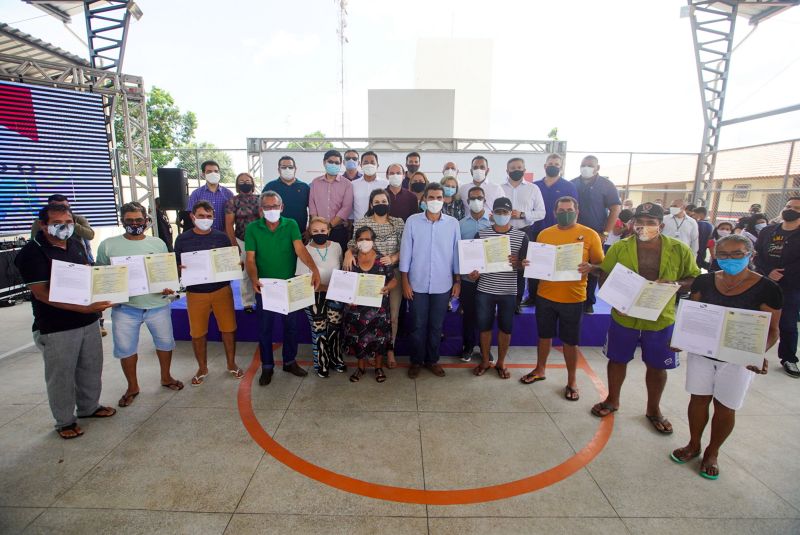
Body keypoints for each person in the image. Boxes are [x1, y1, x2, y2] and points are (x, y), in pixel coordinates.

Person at [671, 234, 781, 479]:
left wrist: (758, 354)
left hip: (738, 359)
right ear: (715, 256)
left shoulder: (768, 288)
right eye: (723, 255)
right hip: (703, 354)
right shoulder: (704, 281)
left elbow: (773, 331)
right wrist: (681, 339)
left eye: (736, 254)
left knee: (725, 406)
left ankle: (713, 451)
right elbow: (693, 315)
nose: (729, 259)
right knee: (698, 399)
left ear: (750, 255)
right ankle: (694, 444)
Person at [590, 203, 700, 435]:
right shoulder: (620, 248)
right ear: (632, 224)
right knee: (617, 360)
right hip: (624, 316)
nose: (644, 226)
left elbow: (694, 278)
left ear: (661, 225)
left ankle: (653, 409)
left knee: (658, 365)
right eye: (640, 221)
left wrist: (677, 284)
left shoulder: (679, 249)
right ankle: (612, 400)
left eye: (650, 222)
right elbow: (605, 274)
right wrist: (614, 301)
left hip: (660, 317)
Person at [15, 203, 116, 439]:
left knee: (91, 367)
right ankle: (64, 420)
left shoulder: (75, 244)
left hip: (87, 321)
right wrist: (84, 307)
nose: (65, 227)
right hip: (56, 326)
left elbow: (88, 275)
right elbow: (42, 293)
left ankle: (89, 407)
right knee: (61, 375)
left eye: (69, 222)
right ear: (43, 225)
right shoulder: (32, 252)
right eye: (58, 223)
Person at [96, 201, 184, 407]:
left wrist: (169, 285)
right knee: (126, 349)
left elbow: (166, 272)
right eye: (129, 220)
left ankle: (166, 377)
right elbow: (101, 274)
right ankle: (132, 386)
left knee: (165, 343)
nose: (134, 223)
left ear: (146, 221)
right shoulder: (108, 245)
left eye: (138, 220)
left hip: (157, 304)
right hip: (125, 307)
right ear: (122, 221)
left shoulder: (158, 244)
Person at [519, 197, 604, 401]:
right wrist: (528, 263)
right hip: (545, 295)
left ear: (577, 211)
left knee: (570, 341)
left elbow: (601, 266)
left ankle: (572, 380)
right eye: (561, 210)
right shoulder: (545, 234)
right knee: (544, 336)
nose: (565, 212)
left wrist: (591, 267)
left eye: (569, 209)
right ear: (555, 212)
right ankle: (540, 370)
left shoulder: (590, 235)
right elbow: (537, 261)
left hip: (573, 297)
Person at [246, 191, 321, 386]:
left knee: (291, 327)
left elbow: (300, 249)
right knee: (265, 329)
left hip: (290, 284)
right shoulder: (253, 228)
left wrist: (314, 270)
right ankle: (267, 367)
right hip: (265, 286)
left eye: (275, 206)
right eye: (267, 207)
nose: (272, 210)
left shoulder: (291, 224)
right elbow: (250, 258)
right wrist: (253, 278)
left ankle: (289, 361)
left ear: (282, 207)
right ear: (261, 210)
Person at [174, 201, 243, 386]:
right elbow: (175, 265)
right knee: (197, 333)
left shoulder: (221, 237)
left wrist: (235, 265)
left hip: (221, 290)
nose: (205, 220)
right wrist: (179, 269)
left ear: (213, 218)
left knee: (228, 329)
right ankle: (202, 368)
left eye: (209, 216)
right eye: (201, 216)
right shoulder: (182, 239)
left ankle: (231, 363)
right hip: (195, 293)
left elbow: (229, 260)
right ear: (192, 216)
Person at [400, 183, 461, 378]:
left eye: (439, 198)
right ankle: (416, 361)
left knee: (436, 325)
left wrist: (457, 281)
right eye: (431, 197)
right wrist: (405, 281)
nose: (435, 201)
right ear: (424, 200)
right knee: (417, 324)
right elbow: (406, 252)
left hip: (443, 284)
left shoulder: (453, 223)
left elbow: (456, 253)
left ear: (444, 200)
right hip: (416, 283)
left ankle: (432, 360)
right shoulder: (412, 221)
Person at [469, 197, 528, 379]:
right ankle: (485, 360)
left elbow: (526, 265)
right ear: (492, 214)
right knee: (484, 327)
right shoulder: (481, 235)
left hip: (509, 291)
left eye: (506, 212)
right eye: (499, 212)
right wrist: (474, 273)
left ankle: (501, 362)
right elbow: (474, 263)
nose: (502, 215)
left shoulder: (521, 236)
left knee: (506, 328)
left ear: (511, 214)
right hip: (485, 289)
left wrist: (518, 263)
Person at [346, 189, 405, 368]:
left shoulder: (398, 222)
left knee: (392, 316)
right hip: (367, 276)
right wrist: (348, 252)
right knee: (369, 317)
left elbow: (407, 246)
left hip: (392, 274)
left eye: (383, 201)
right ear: (371, 204)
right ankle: (372, 349)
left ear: (388, 203)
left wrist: (394, 258)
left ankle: (389, 350)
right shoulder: (362, 222)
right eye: (377, 201)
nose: (381, 204)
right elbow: (353, 243)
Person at [523, 153, 578, 307]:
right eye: (550, 163)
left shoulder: (569, 186)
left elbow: (574, 211)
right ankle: (532, 296)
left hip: (561, 232)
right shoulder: (534, 186)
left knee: (558, 264)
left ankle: (556, 297)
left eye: (556, 164)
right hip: (537, 231)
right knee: (534, 266)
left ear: (561, 167)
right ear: (545, 166)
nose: (553, 166)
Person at [345, 226, 398, 383]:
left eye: (368, 239)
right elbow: (345, 280)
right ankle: (360, 367)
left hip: (379, 308)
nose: (364, 242)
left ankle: (378, 367)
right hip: (356, 308)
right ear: (356, 242)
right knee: (358, 338)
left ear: (373, 241)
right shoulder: (351, 259)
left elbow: (393, 279)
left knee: (379, 338)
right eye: (361, 239)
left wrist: (388, 288)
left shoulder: (382, 259)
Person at [754, 196, 800, 378]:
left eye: (797, 208)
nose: (791, 210)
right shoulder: (768, 231)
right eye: (789, 206)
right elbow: (756, 255)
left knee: (787, 323)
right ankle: (753, 353)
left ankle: (789, 358)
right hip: (765, 281)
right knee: (759, 319)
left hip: (791, 285)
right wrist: (769, 271)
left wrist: (784, 272)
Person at [296, 217, 345, 377]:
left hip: (335, 295)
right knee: (319, 330)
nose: (320, 234)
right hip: (314, 296)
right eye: (315, 231)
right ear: (310, 232)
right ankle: (321, 363)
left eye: (323, 231)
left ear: (328, 231)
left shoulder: (337, 247)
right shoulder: (304, 250)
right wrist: (326, 287)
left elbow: (342, 269)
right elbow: (303, 280)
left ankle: (336, 359)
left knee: (335, 328)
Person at [572, 155, 621, 313]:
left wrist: (605, 232)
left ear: (597, 168)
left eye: (590, 165)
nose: (586, 167)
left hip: (596, 233)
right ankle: (572, 298)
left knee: (594, 267)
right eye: (583, 164)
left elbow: (615, 209)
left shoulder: (606, 185)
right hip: (573, 233)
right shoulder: (572, 183)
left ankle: (588, 302)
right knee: (573, 265)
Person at [501, 157, 545, 311]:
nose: (516, 170)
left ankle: (517, 303)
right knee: (504, 266)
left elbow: (541, 213)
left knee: (522, 268)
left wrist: (522, 214)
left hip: (525, 231)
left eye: (519, 167)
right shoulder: (500, 188)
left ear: (524, 170)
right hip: (504, 233)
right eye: (512, 168)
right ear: (507, 171)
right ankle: (501, 300)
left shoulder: (533, 189)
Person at [458, 186, 493, 362]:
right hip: (467, 279)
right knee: (469, 314)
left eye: (479, 198)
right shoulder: (460, 225)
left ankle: (486, 347)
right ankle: (468, 346)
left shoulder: (493, 224)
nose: (476, 201)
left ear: (485, 200)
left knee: (486, 314)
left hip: (488, 280)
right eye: (472, 198)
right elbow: (457, 252)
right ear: (468, 201)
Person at [225, 172, 261, 313]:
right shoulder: (232, 201)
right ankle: (248, 302)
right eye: (241, 181)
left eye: (247, 180)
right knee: (246, 272)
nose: (245, 183)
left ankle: (263, 298)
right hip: (241, 240)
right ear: (237, 184)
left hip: (259, 240)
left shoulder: (259, 199)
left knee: (261, 269)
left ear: (252, 183)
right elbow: (229, 225)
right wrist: (234, 245)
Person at [309, 149, 353, 252]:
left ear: (340, 164)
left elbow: (346, 208)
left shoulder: (347, 184)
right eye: (330, 162)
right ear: (324, 162)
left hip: (338, 230)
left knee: (338, 260)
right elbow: (312, 205)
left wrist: (329, 226)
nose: (333, 164)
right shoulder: (315, 182)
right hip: (318, 231)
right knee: (319, 259)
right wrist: (319, 227)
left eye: (337, 162)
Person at [263, 155, 311, 234]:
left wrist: (309, 230)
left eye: (290, 167)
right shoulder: (270, 186)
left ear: (295, 169)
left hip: (300, 232)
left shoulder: (304, 187)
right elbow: (262, 209)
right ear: (279, 170)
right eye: (284, 167)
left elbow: (312, 210)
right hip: (276, 233)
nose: (287, 169)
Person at [186, 160, 234, 232]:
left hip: (223, 235)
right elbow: (191, 215)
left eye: (216, 171)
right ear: (203, 174)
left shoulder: (228, 194)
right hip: (203, 235)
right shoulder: (196, 194)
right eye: (209, 172)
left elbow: (232, 217)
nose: (213, 174)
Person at [351, 151, 388, 221]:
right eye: (366, 162)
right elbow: (350, 206)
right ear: (361, 165)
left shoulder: (386, 184)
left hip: (380, 226)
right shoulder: (353, 184)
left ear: (377, 165)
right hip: (359, 226)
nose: (369, 165)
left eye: (372, 162)